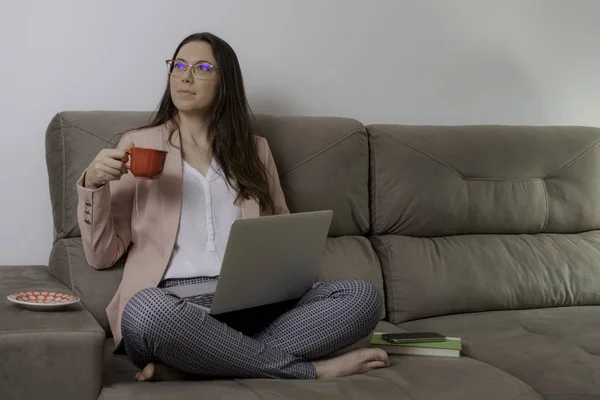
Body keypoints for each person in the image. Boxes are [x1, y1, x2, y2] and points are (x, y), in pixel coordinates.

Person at [76, 32, 389, 382]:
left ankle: (199, 365)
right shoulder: (138, 145)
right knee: (146, 312)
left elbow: (280, 236)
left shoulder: (256, 151)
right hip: (174, 306)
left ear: (226, 81)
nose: (185, 75)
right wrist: (94, 186)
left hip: (251, 303)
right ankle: (307, 371)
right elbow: (101, 255)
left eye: (202, 67)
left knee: (362, 297)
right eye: (178, 65)